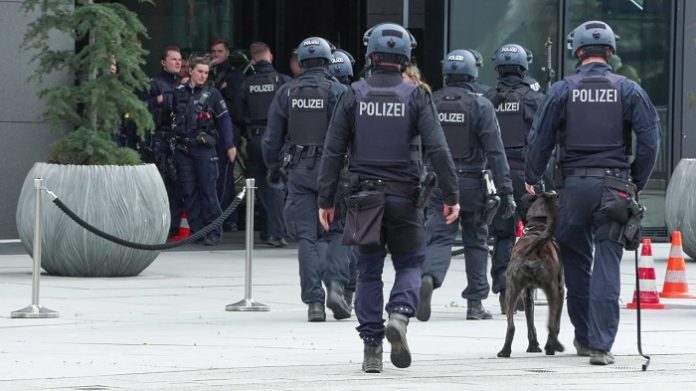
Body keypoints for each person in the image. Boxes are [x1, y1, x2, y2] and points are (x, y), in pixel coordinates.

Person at [318, 23, 460, 373]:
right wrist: (451, 193)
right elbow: (439, 149)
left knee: (367, 271)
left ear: (371, 55)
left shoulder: (352, 94)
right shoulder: (416, 96)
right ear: (404, 58)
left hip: (364, 197)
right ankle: (399, 314)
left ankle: (371, 349)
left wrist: (326, 199)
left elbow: (333, 152)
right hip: (405, 198)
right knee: (411, 263)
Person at [525, 20, 660, 365]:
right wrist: (637, 181)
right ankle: (601, 345)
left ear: (578, 52)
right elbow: (649, 142)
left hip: (572, 186)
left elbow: (540, 139)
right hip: (615, 186)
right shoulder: (629, 89)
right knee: (608, 262)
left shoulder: (562, 89)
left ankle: (584, 338)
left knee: (577, 263)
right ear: (611, 52)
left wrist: (531, 175)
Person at [416, 49, 514, 323]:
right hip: (472, 183)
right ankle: (475, 303)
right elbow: (495, 151)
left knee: (438, 237)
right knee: (476, 241)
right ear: (472, 72)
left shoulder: (430, 101)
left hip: (438, 182)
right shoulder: (479, 105)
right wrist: (505, 189)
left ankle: (429, 278)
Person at [263, 36, 352, 322]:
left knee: (307, 237)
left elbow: (271, 138)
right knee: (338, 230)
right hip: (336, 172)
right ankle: (337, 286)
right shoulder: (339, 91)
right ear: (328, 62)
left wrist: (273, 167)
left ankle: (315, 302)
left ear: (301, 62)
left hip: (299, 171)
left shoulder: (287, 92)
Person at [484, 43, 545, 314]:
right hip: (526, 172)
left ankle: (504, 289)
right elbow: (544, 138)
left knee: (502, 234)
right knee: (536, 231)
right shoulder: (534, 99)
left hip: (496, 173)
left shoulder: (486, 99)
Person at [173, 55, 237, 246]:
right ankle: (197, 231)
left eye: (206, 72)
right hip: (183, 149)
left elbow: (225, 120)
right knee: (189, 191)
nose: (203, 75)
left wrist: (230, 145)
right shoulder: (179, 92)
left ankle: (214, 231)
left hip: (204, 150)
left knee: (209, 191)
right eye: (200, 71)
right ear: (190, 71)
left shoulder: (213, 94)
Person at [239, 42, 291, 247]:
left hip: (254, 139)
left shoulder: (245, 83)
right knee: (277, 186)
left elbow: (238, 115)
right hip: (276, 139)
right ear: (271, 58)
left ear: (252, 61)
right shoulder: (283, 82)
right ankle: (276, 233)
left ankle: (266, 230)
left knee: (258, 186)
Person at [142, 46, 185, 240]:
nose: (178, 62)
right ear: (163, 62)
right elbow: (140, 109)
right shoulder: (154, 84)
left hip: (179, 139)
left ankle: (173, 226)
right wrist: (157, 101)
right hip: (160, 139)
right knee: (160, 185)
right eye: (173, 59)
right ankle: (159, 226)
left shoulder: (185, 84)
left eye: (180, 59)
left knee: (179, 185)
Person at [210, 39, 245, 232]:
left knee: (225, 176)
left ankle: (228, 217)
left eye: (220, 51)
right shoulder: (208, 73)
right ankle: (224, 217)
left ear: (227, 53)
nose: (216, 55)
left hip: (228, 129)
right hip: (211, 131)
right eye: (213, 51)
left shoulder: (234, 75)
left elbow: (236, 108)